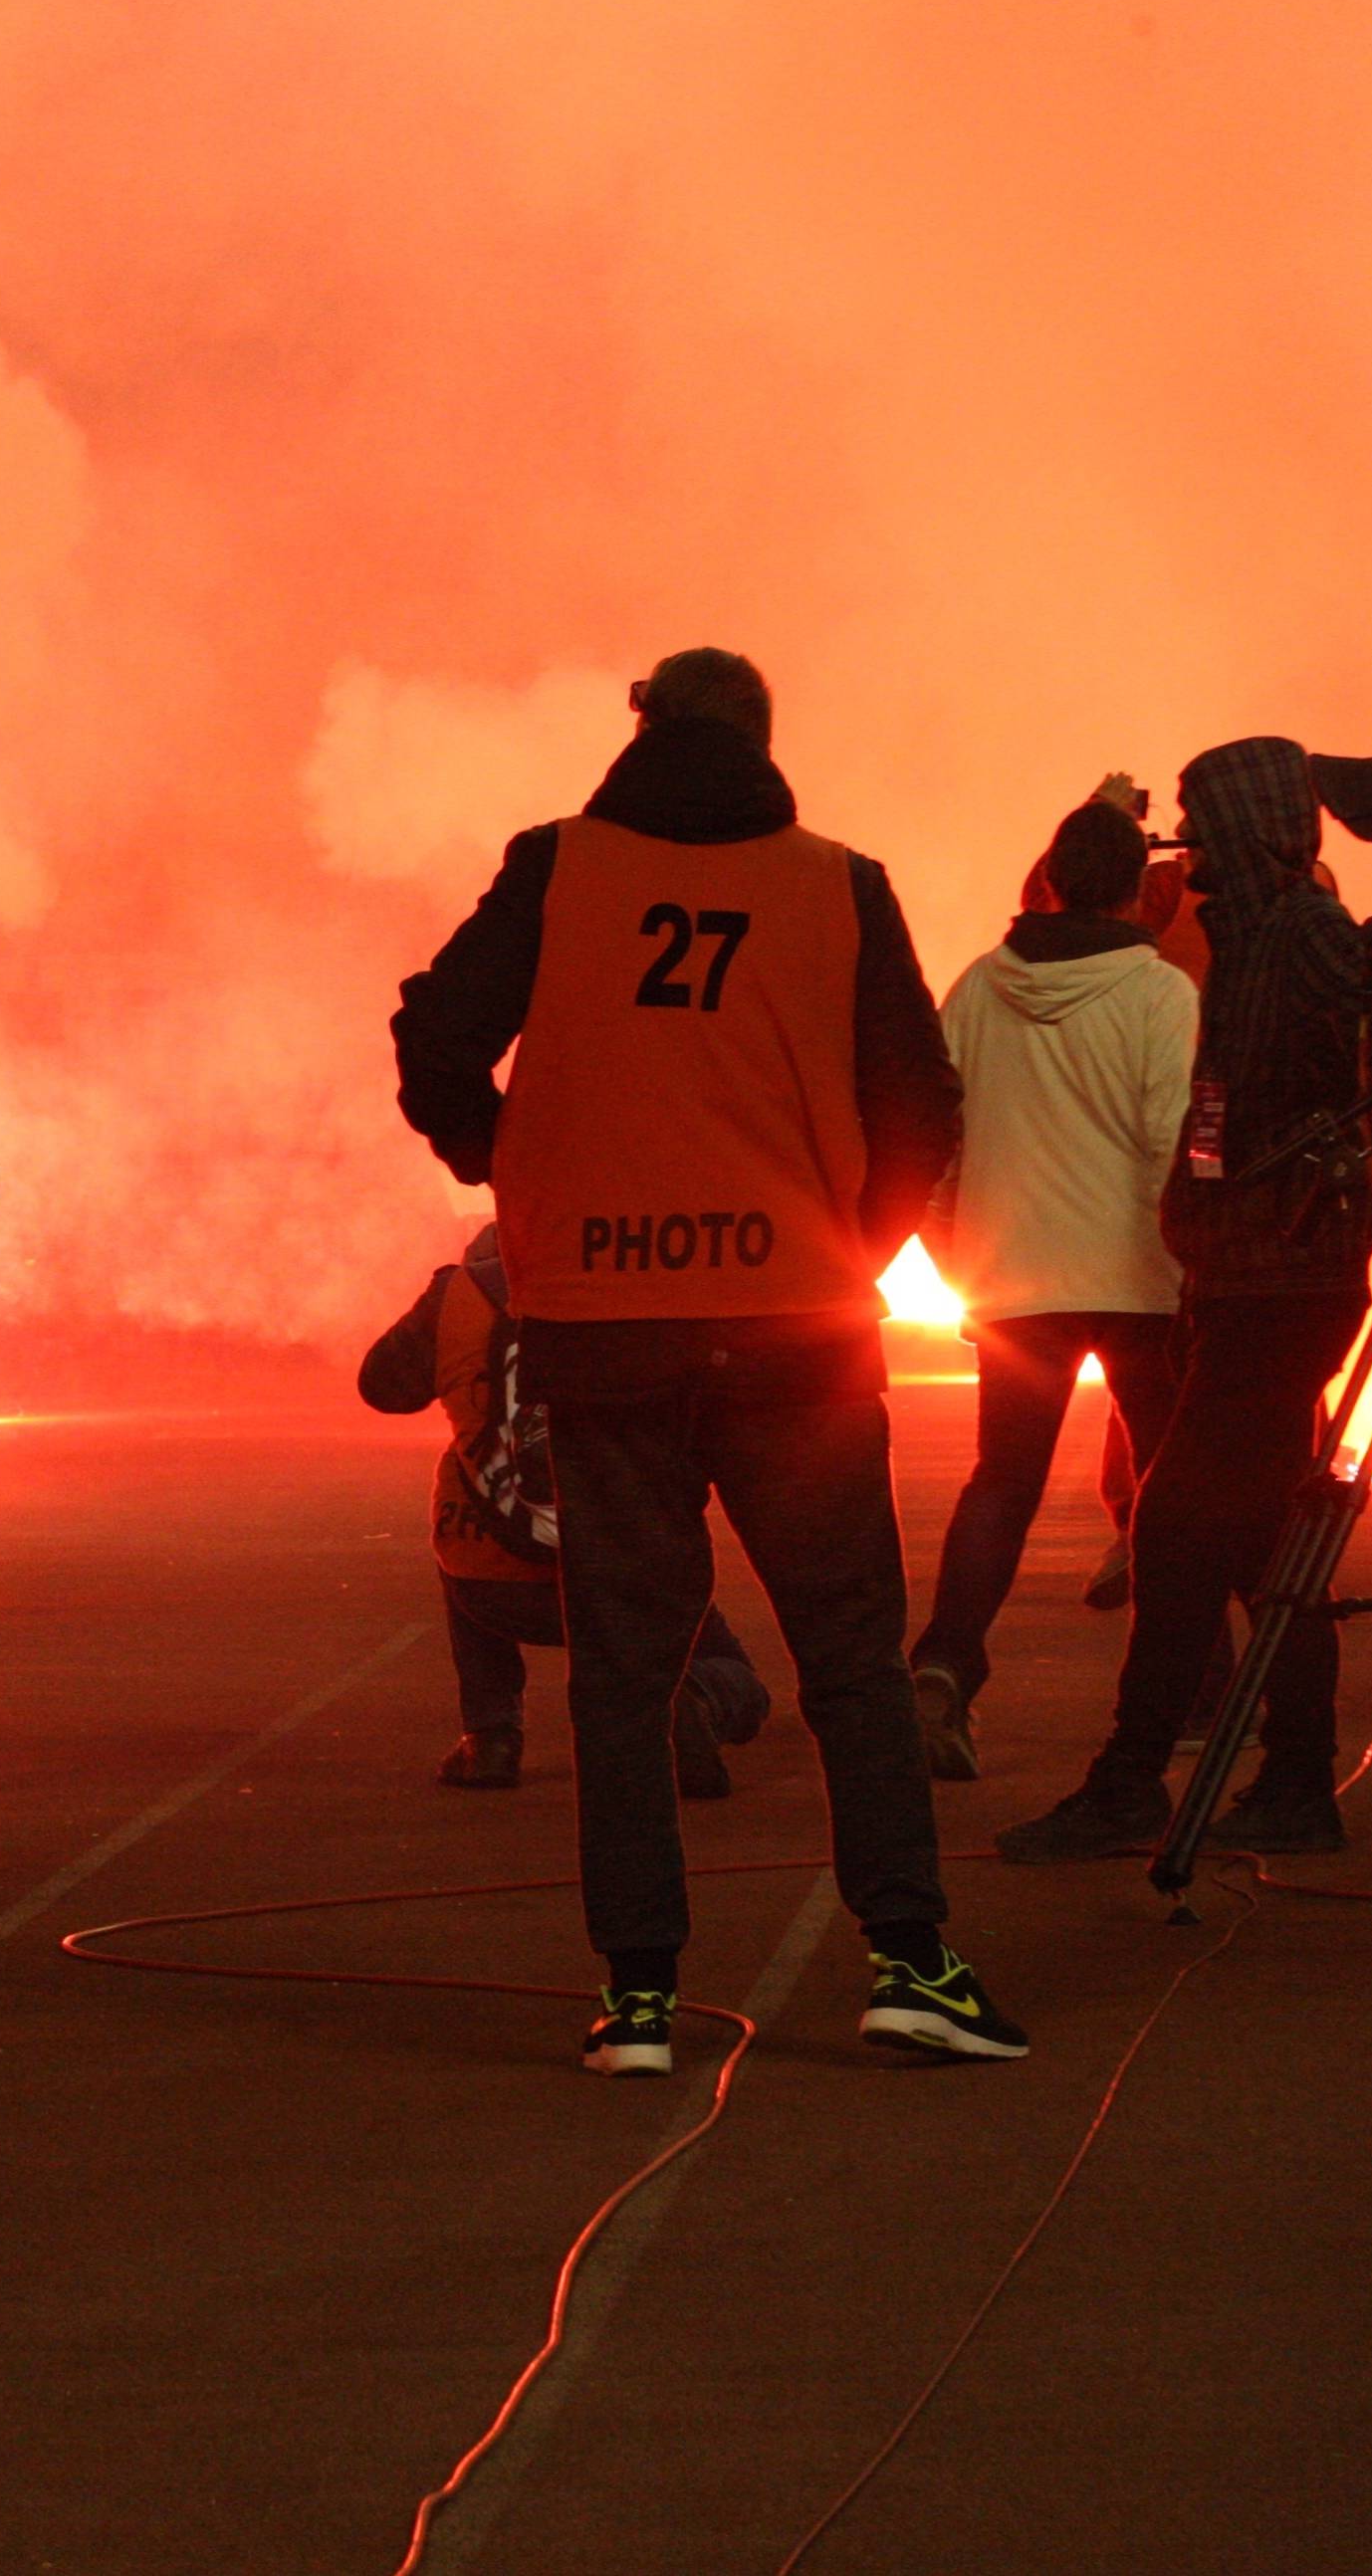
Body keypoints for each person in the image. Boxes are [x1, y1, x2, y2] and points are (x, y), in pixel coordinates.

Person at [394, 646, 1028, 2073]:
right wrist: (855, 1251)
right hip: (794, 1329)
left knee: (623, 1668)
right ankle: (910, 1963)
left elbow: (436, 1031)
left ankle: (638, 1999)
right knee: (852, 1657)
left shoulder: (559, 870)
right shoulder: (837, 882)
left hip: (608, 1326)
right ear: (763, 737)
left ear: (641, 732)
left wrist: (501, 1166)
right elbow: (921, 1093)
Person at [997, 736, 1372, 1864]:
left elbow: (1349, 1070)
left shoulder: (1306, 941)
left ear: (1252, 831)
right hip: (1242, 1273)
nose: (1190, 859)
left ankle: (1133, 1781)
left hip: (1285, 1280)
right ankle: (1295, 1784)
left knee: (1176, 1520)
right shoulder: (1254, 941)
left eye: (1207, 835)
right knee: (1261, 1541)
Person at [909, 790, 1197, 1779]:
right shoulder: (1162, 996)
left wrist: (954, 1253)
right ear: (1136, 893)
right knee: (1168, 1489)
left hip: (1013, 1276)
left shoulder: (977, 989)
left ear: (1053, 878)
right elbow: (1173, 1137)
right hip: (1139, 1277)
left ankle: (944, 1662)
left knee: (1002, 1481)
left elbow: (935, 1136)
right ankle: (1195, 1685)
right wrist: (1199, 1251)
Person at [358, 1218, 769, 1794]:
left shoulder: (457, 1295)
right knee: (741, 1683)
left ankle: (491, 1736)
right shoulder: (638, 1284)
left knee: (466, 1503)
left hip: (491, 1587)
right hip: (625, 1579)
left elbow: (381, 1387)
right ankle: (692, 1699)